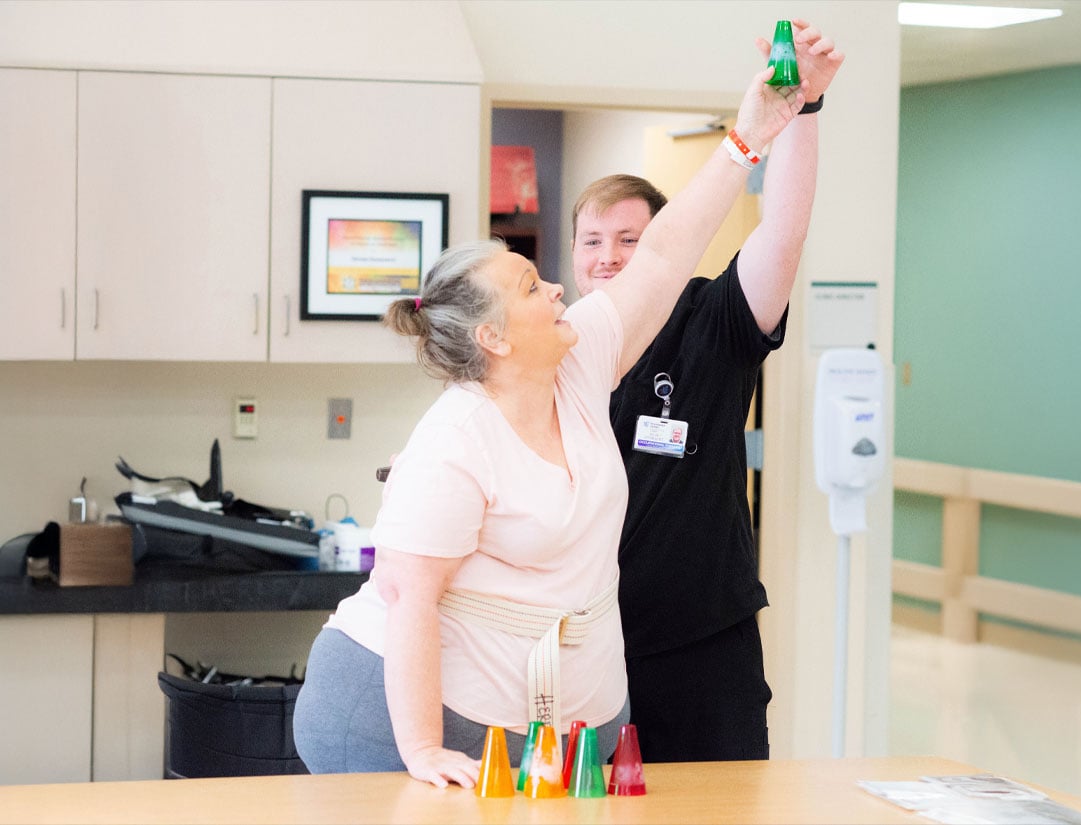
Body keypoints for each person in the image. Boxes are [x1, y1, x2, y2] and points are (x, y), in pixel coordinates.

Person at [292, 44, 807, 790]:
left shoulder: (579, 364)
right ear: (494, 337)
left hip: (543, 717)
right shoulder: (456, 438)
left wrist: (748, 137)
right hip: (395, 714)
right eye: (533, 287)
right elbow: (408, 599)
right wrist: (423, 747)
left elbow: (665, 255)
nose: (561, 288)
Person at [569, 20, 844, 763]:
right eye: (592, 241)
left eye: (630, 239)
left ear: (667, 239)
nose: (607, 258)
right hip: (582, 642)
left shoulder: (711, 321)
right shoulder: (560, 344)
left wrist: (803, 111)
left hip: (699, 645)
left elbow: (782, 233)